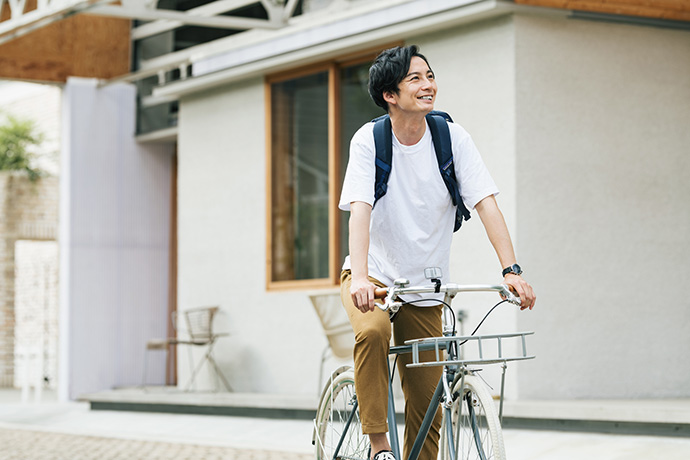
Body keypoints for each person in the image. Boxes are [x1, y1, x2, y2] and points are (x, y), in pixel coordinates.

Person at [338, 45, 536, 460]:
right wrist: (358, 276)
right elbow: (360, 211)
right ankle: (378, 447)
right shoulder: (369, 142)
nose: (429, 85)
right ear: (390, 95)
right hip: (371, 274)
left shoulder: (452, 138)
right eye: (415, 79)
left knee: (427, 404)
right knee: (373, 331)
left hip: (425, 286)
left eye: (430, 76)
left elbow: (486, 203)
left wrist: (511, 269)